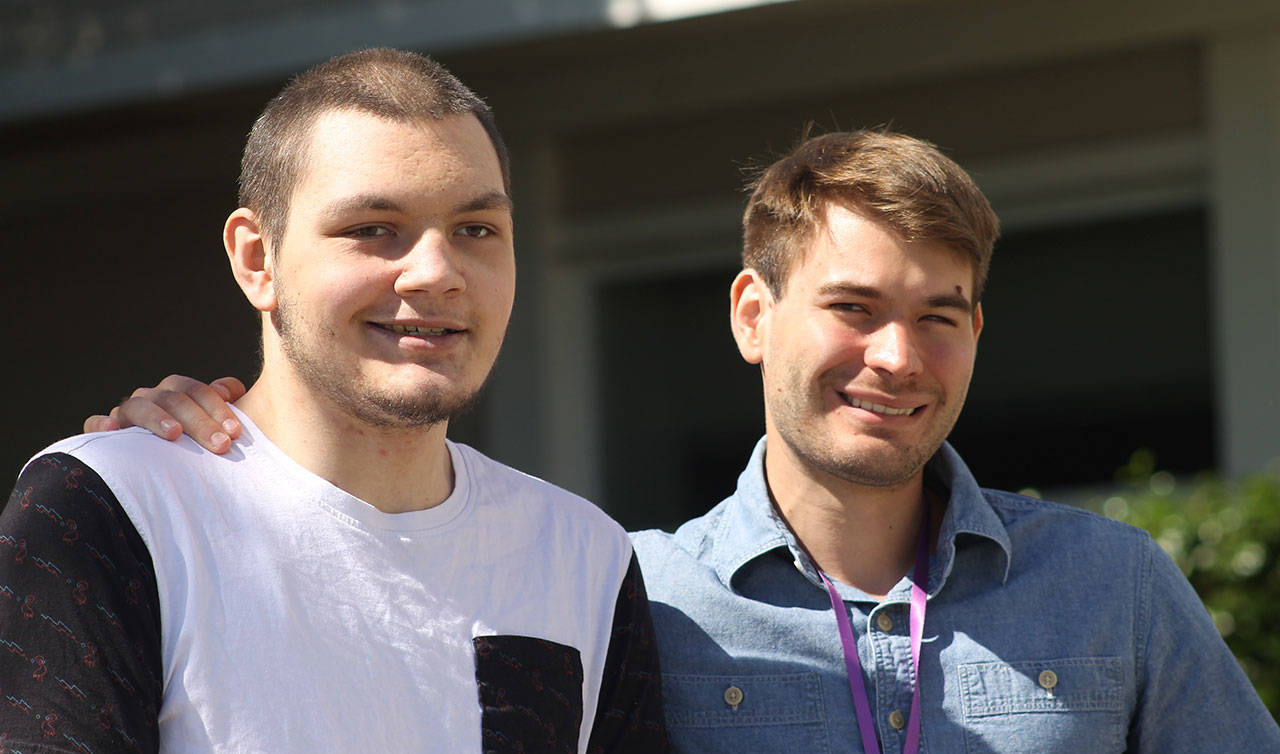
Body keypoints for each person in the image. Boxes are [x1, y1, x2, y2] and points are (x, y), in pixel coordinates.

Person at [78, 130, 1280, 752]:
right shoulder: (617, 590)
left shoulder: (1112, 589)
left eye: (938, 317)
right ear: (752, 317)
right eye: (852, 309)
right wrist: (204, 441)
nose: (897, 357)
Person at [0, 49, 666, 753]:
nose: (437, 273)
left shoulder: (583, 553)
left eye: (476, 229)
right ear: (257, 260)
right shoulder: (117, 508)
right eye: (373, 228)